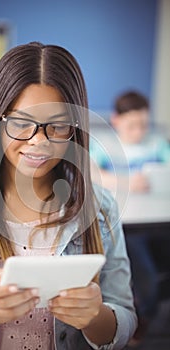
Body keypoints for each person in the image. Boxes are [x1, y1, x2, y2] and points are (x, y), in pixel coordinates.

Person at [0, 42, 137, 350]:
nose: (39, 141)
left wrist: (95, 316)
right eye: (21, 124)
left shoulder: (102, 208)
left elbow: (125, 318)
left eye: (57, 126)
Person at [90, 90, 170, 344]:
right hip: (127, 222)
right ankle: (143, 316)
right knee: (142, 267)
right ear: (117, 120)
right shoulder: (106, 145)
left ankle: (153, 311)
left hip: (158, 217)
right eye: (132, 125)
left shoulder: (156, 143)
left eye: (144, 124)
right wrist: (126, 182)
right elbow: (89, 172)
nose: (139, 131)